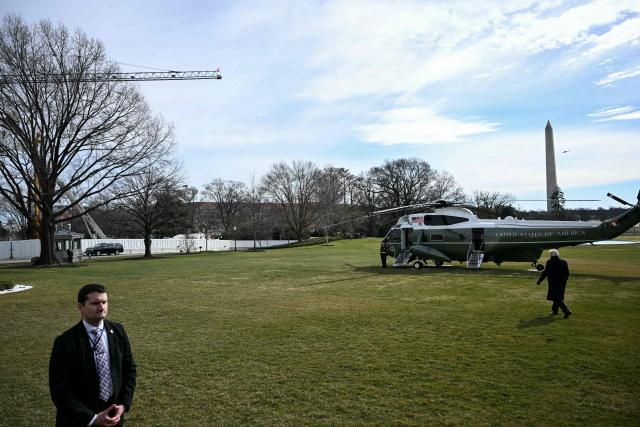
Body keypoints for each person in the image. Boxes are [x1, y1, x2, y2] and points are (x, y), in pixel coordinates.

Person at [49, 284, 137, 426]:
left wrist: (123, 405)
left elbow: (129, 370)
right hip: (78, 421)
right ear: (80, 307)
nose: (102, 307)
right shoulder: (65, 342)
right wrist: (92, 419)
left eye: (104, 302)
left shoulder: (118, 331)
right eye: (95, 303)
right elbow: (59, 390)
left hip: (113, 417)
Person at [536, 249, 572, 318]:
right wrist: (564, 281)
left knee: (557, 298)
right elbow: (567, 274)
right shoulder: (564, 262)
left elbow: (545, 272)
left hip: (553, 283)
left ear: (551, 255)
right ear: (557, 254)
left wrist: (539, 281)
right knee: (557, 296)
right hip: (562, 283)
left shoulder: (550, 262)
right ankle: (555, 311)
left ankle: (566, 311)